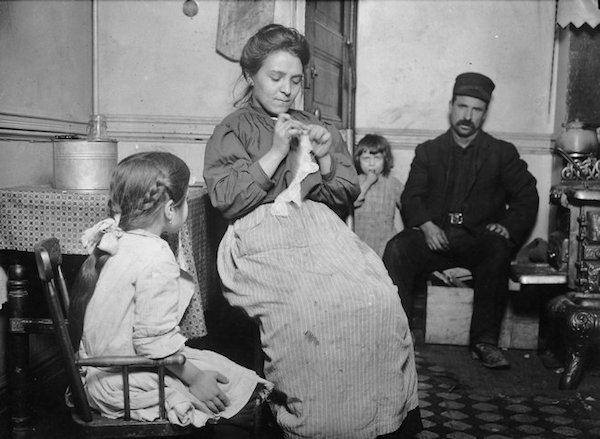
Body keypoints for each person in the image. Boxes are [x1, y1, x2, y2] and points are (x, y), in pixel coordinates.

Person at [203, 24, 420, 439]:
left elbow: (342, 194)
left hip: (320, 234)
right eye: (276, 77)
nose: (287, 89)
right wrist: (276, 151)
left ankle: (379, 422)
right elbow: (228, 199)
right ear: (250, 76)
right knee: (309, 311)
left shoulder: (313, 127)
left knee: (378, 298)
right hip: (259, 238)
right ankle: (314, 425)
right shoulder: (233, 129)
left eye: (296, 80)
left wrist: (323, 154)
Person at [69, 152, 272, 435]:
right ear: (169, 210)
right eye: (185, 200)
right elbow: (154, 343)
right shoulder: (156, 255)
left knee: (225, 369)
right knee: (242, 395)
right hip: (126, 383)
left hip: (106, 370)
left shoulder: (118, 240)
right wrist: (196, 379)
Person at [382, 72, 539, 369]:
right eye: (462, 106)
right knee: (398, 248)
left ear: (484, 114)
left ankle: (484, 342)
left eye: (476, 109)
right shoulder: (428, 151)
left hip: (478, 241)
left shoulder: (502, 153)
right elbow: (412, 196)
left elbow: (527, 197)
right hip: (436, 238)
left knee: (497, 249)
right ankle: (398, 336)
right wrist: (427, 225)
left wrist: (507, 225)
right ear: (451, 106)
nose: (467, 116)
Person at [353, 134, 404, 257]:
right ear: (358, 160)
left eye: (377, 158)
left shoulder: (392, 183)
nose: (371, 164)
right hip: (360, 241)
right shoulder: (356, 181)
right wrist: (368, 182)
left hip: (386, 241)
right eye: (366, 159)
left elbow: (408, 207)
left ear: (385, 160)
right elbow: (355, 201)